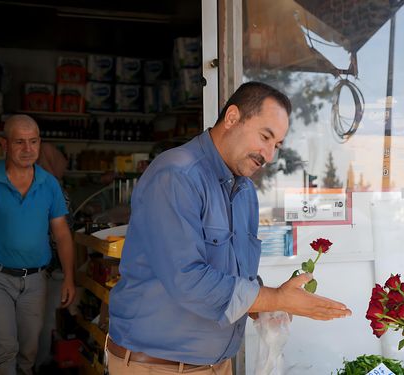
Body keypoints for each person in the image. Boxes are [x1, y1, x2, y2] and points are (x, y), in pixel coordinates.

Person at [107, 82, 351, 375]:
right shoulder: (177, 175)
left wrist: (266, 305)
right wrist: (275, 297)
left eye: (277, 145)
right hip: (159, 367)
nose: (269, 155)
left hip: (216, 365)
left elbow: (235, 274)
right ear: (233, 117)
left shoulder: (244, 190)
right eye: (265, 136)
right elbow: (188, 279)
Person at [0, 115, 76, 375]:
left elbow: (61, 234)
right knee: (4, 349)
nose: (28, 149)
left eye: (33, 141)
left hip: (36, 281)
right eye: (19, 142)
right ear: (5, 145)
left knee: (28, 351)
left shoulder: (49, 184)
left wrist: (69, 278)